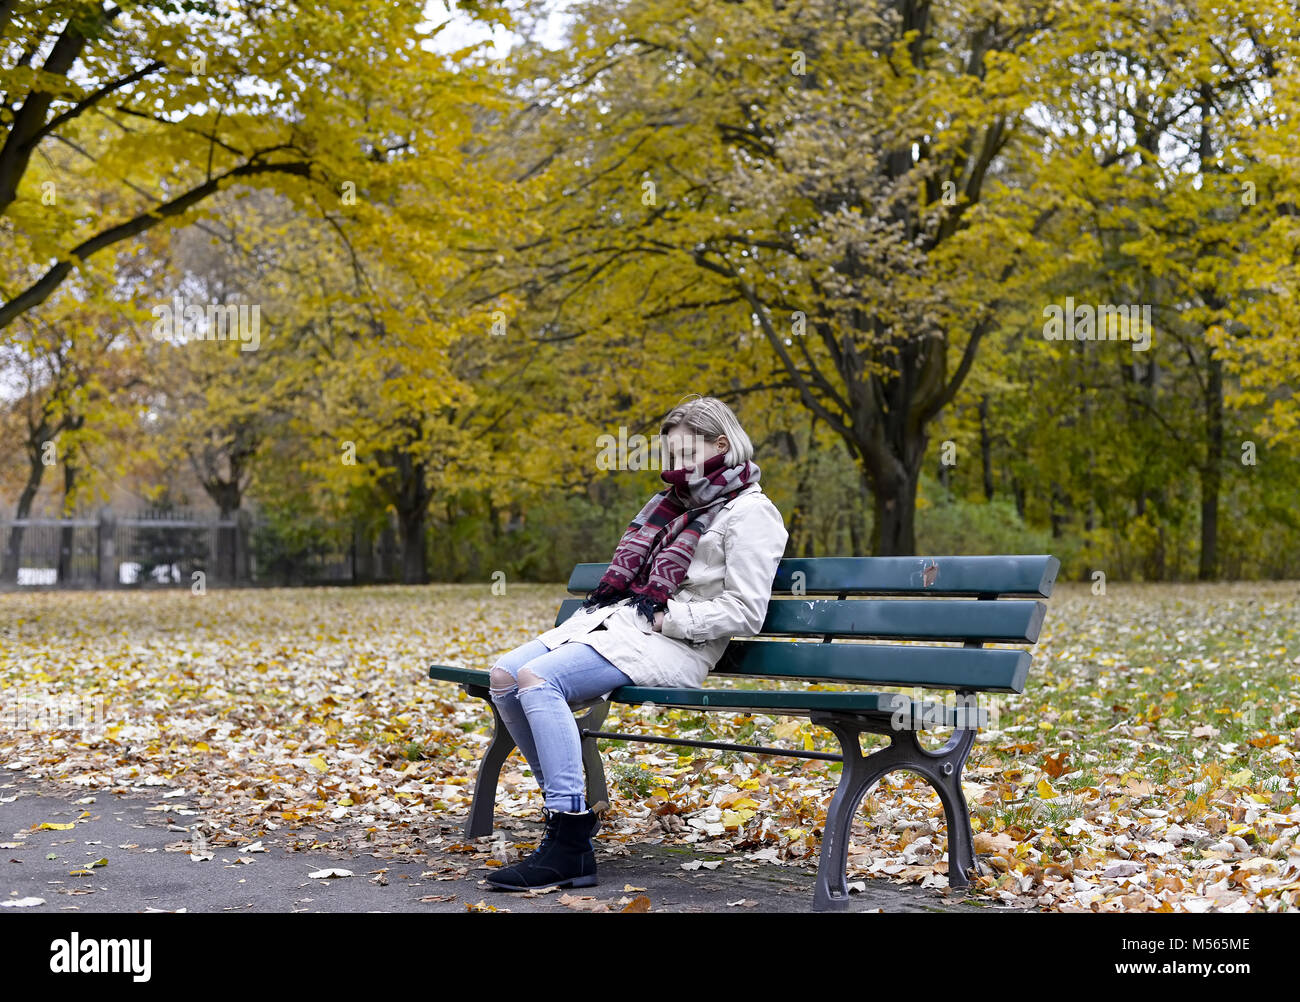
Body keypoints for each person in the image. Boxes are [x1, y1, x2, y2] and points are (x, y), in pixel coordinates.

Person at [485, 394, 789, 891]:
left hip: (675, 642)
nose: (676, 466)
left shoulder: (751, 512)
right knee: (504, 677)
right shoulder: (672, 506)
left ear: (721, 444)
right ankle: (569, 821)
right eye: (669, 456)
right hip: (620, 623)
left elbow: (747, 611)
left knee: (537, 681)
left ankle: (568, 841)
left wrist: (671, 618)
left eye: (687, 454)